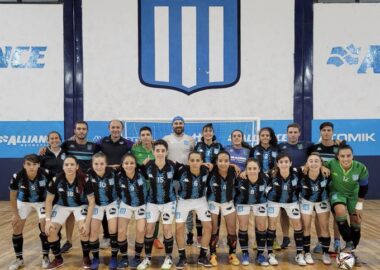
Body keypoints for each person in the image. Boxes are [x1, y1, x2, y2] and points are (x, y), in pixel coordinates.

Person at [44, 155, 95, 269]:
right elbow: (48, 201)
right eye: (66, 164)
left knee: (83, 229)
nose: (69, 167)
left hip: (80, 206)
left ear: (77, 167)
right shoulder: (56, 179)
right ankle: (58, 258)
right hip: (62, 206)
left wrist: (87, 222)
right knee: (51, 230)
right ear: (63, 167)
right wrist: (48, 220)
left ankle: (86, 257)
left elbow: (91, 202)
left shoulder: (85, 179)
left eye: (72, 164)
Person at [137, 140, 178, 270]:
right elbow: (137, 174)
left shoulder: (173, 165)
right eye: (157, 150)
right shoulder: (147, 165)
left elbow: (190, 170)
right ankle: (147, 258)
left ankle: (169, 257)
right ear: (153, 152)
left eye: (162, 151)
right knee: (149, 229)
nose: (160, 153)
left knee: (167, 229)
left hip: (169, 202)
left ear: (166, 152)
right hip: (152, 202)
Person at [8, 154, 53, 270]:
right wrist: (15, 214)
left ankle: (45, 257)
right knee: (17, 226)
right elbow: (13, 197)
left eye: (34, 164)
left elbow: (52, 192)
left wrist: (49, 216)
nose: (31, 167)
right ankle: (19, 259)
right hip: (23, 201)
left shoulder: (46, 173)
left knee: (44, 225)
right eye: (28, 164)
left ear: (39, 165)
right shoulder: (17, 176)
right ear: (24, 165)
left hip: (42, 201)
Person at [326, 143, 369, 266]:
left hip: (354, 195)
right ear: (338, 157)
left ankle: (352, 250)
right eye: (342, 156)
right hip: (337, 193)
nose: (345, 159)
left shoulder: (361, 168)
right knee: (340, 211)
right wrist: (322, 167)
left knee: (356, 221)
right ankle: (349, 242)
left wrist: (359, 205)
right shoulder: (331, 164)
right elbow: (318, 164)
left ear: (353, 156)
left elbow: (364, 187)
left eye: (348, 156)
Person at [97, 120, 133, 249]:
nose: (115, 129)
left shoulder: (128, 143)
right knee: (106, 208)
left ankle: (119, 235)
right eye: (113, 127)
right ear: (109, 128)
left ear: (122, 129)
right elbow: (96, 158)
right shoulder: (101, 143)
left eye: (118, 127)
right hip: (105, 181)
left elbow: (133, 158)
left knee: (119, 209)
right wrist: (108, 167)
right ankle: (107, 236)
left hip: (122, 181)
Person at [266, 153, 306, 266]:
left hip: (291, 202)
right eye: (281, 162)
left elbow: (309, 168)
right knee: (272, 225)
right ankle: (270, 253)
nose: (284, 164)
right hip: (274, 201)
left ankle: (299, 254)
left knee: (298, 225)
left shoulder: (297, 173)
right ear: (277, 164)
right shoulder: (271, 174)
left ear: (290, 163)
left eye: (286, 161)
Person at [277, 123, 313, 249]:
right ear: (287, 133)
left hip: (302, 183)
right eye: (290, 132)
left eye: (295, 132)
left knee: (303, 212)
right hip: (286, 183)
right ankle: (286, 237)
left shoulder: (308, 145)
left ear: (299, 133)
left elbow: (317, 154)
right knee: (284, 212)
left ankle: (301, 236)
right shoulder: (281, 146)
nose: (292, 134)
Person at [175, 151, 213, 269]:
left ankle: (202, 256)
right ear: (188, 161)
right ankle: (182, 257)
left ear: (202, 161)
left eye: (197, 160)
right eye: (192, 160)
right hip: (183, 201)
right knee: (179, 228)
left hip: (200, 200)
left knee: (208, 227)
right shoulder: (181, 171)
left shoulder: (206, 170)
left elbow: (221, 165)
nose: (195, 163)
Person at [163, 116, 196, 246]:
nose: (178, 125)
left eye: (180, 123)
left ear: (184, 125)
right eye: (176, 123)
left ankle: (189, 233)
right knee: (169, 207)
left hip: (186, 178)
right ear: (172, 125)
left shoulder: (190, 139)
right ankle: (168, 234)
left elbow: (195, 157)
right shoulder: (166, 139)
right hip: (170, 178)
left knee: (186, 206)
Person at [132, 126, 164, 250]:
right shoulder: (135, 149)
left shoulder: (157, 148)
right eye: (143, 135)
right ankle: (142, 235)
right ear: (140, 137)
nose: (145, 137)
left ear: (151, 136)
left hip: (156, 185)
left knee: (156, 211)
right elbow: (132, 166)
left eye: (147, 134)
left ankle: (154, 237)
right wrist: (142, 166)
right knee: (142, 213)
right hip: (140, 186)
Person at [311, 122, 341, 253]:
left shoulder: (339, 148)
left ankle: (337, 242)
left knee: (337, 216)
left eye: (329, 130)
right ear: (320, 132)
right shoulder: (315, 148)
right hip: (320, 189)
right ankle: (320, 241)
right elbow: (312, 163)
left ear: (333, 132)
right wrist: (322, 165)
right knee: (319, 216)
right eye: (324, 130)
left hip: (335, 187)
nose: (326, 132)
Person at [192, 123, 223, 246]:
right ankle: (199, 235)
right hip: (200, 181)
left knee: (216, 210)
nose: (208, 133)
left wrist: (214, 165)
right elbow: (193, 161)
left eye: (210, 130)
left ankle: (215, 236)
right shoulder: (198, 146)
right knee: (200, 208)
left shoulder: (219, 146)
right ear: (202, 133)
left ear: (213, 133)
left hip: (216, 180)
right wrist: (202, 164)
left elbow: (223, 161)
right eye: (205, 131)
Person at [207, 151, 240, 267]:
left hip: (228, 202)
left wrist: (234, 166)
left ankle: (232, 254)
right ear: (216, 162)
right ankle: (212, 254)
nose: (223, 163)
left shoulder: (234, 171)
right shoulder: (210, 171)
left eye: (226, 161)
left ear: (230, 162)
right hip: (213, 202)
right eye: (220, 161)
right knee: (213, 229)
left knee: (232, 228)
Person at [235, 158, 269, 266]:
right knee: (243, 226)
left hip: (260, 202)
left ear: (259, 169)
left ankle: (260, 254)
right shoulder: (240, 178)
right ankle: (245, 253)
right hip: (242, 203)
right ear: (246, 169)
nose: (252, 170)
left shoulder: (265, 178)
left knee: (261, 226)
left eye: (255, 168)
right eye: (249, 168)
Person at [88, 153, 119, 270]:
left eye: (102, 164)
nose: (99, 166)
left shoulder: (113, 172)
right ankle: (95, 258)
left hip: (112, 203)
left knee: (112, 230)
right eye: (96, 164)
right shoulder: (88, 174)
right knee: (94, 232)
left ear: (106, 164)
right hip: (96, 204)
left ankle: (114, 257)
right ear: (92, 164)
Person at [116, 153, 148, 269]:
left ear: (136, 164)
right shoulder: (118, 175)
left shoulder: (142, 173)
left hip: (141, 205)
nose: (129, 165)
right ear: (122, 165)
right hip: (126, 204)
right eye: (126, 163)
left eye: (132, 163)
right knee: (121, 230)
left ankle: (137, 257)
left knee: (140, 231)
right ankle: (124, 257)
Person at [299, 152, 331, 265]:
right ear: (307, 163)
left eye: (316, 161)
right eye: (311, 161)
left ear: (321, 163)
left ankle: (325, 253)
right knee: (306, 226)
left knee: (324, 227)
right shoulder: (301, 172)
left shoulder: (326, 173)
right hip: (306, 201)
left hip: (322, 201)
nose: (313, 163)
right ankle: (307, 253)